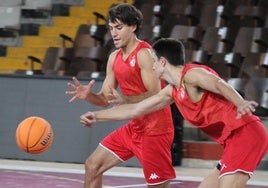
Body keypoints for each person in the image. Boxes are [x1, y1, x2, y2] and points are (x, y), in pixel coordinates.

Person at [80, 38, 268, 188]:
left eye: (154, 62)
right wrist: (96, 116)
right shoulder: (171, 91)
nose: (152, 67)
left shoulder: (192, 74)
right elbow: (136, 109)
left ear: (162, 61)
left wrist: (240, 102)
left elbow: (219, 84)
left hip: (246, 134)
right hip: (232, 141)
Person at [66, 4, 175, 188]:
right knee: (93, 166)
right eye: (111, 28)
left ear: (133, 26)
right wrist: (88, 95)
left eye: (119, 27)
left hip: (156, 130)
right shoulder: (114, 57)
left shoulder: (144, 53)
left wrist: (127, 100)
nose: (114, 33)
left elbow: (157, 94)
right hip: (134, 128)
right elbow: (104, 100)